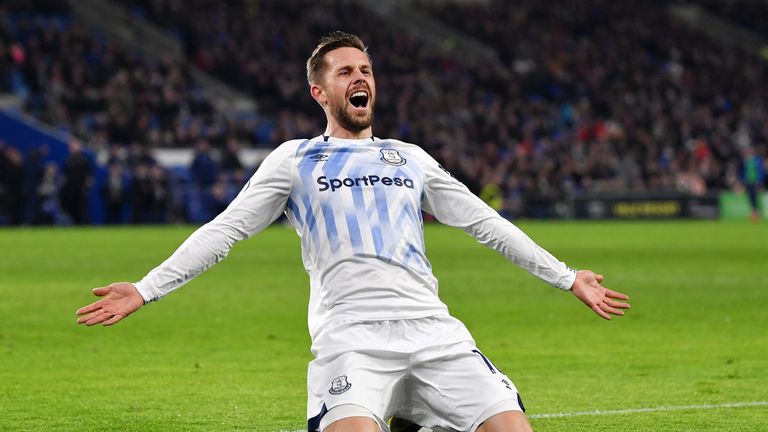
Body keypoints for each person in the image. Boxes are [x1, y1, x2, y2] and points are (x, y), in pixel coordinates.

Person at [76, 32, 630, 432]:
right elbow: (224, 231)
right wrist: (146, 288)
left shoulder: (409, 158)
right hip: (351, 338)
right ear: (320, 93)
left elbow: (483, 222)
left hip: (435, 333)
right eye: (345, 72)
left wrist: (566, 277)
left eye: (365, 70)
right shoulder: (295, 160)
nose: (359, 78)